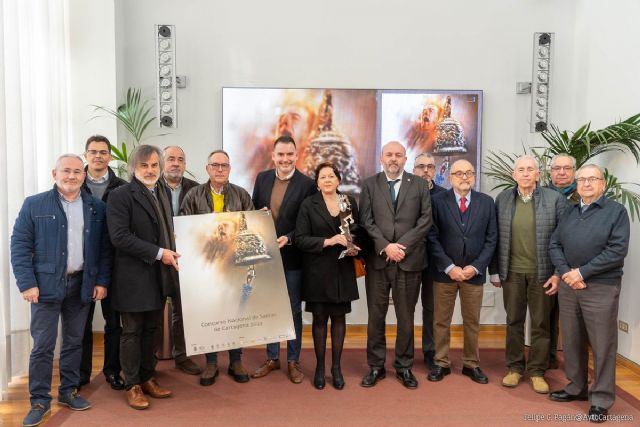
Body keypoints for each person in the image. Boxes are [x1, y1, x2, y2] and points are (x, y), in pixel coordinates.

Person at [11, 154, 112, 426]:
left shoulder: (96, 207)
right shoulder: (34, 204)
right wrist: (27, 283)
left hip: (82, 284)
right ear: (54, 173)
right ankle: (39, 400)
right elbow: (19, 245)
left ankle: (68, 391)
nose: (72, 176)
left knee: (74, 341)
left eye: (77, 172)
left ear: (84, 175)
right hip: (44, 287)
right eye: (66, 171)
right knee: (43, 346)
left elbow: (104, 249)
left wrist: (101, 281)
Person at [549, 164, 630, 423]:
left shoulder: (616, 212)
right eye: (581, 179)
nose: (585, 183)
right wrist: (566, 273)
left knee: (603, 344)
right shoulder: (570, 211)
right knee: (572, 340)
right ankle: (577, 387)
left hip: (601, 287)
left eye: (591, 179)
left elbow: (617, 250)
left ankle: (601, 400)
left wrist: (581, 273)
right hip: (569, 286)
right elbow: (554, 244)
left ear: (602, 184)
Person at [107, 145, 179, 410]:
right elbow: (120, 237)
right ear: (133, 168)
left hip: (159, 276)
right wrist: (160, 253)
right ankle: (132, 384)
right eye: (144, 165)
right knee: (132, 332)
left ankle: (148, 377)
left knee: (152, 330)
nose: (150, 170)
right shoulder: (120, 195)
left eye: (154, 165)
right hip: (133, 278)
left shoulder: (161, 191)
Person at [489, 155, 567, 395]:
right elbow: (495, 237)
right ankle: (514, 368)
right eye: (520, 170)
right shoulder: (502, 199)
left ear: (538, 175)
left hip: (542, 273)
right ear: (514, 175)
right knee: (514, 321)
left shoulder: (554, 199)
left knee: (541, 324)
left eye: (530, 169)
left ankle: (536, 371)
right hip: (511, 272)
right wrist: (495, 270)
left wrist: (558, 273)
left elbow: (564, 239)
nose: (525, 173)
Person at [359, 141, 432, 389]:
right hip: (378, 262)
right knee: (375, 317)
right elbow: (366, 220)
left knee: (406, 317)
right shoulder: (370, 184)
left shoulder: (419, 184)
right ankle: (376, 366)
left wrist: (401, 247)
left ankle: (404, 367)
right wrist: (385, 246)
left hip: (408, 261)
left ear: (405, 159)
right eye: (389, 154)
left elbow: (425, 220)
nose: (393, 159)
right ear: (381, 158)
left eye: (398, 155)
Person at [179, 149, 254, 386]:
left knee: (235, 312)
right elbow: (184, 230)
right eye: (215, 165)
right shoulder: (193, 195)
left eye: (224, 165)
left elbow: (251, 228)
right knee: (210, 312)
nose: (220, 169)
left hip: (234, 266)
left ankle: (235, 360)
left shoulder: (241, 195)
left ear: (230, 169)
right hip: (206, 266)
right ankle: (211, 362)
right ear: (207, 168)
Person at [251, 135, 316, 384]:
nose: (285, 159)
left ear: (297, 156)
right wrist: (258, 217)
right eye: (281, 154)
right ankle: (272, 357)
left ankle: (293, 360)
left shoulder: (307, 184)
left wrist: (288, 238)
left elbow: (307, 223)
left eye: (290, 154)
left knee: (292, 311)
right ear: (273, 156)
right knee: (270, 307)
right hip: (265, 256)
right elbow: (253, 211)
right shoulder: (262, 178)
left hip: (292, 258)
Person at [426, 160, 497, 384]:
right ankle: (441, 362)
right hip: (444, 273)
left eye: (468, 173)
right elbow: (431, 237)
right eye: (459, 173)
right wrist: (450, 267)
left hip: (473, 274)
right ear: (450, 178)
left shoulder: (487, 202)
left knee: (472, 321)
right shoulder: (437, 201)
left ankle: (471, 364)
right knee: (441, 321)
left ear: (474, 176)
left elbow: (492, 239)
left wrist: (475, 267)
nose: (464, 177)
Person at [295, 162, 362, 390]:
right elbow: (301, 238)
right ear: (317, 183)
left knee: (339, 319)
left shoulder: (348, 202)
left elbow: (358, 231)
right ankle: (320, 368)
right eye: (322, 177)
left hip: (343, 269)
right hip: (317, 271)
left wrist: (354, 244)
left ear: (338, 180)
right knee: (320, 320)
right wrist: (329, 241)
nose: (327, 180)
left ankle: (336, 368)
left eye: (331, 176)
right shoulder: (308, 204)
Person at [79, 135, 127, 391]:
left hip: (115, 266)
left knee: (114, 323)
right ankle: (81, 375)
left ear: (110, 156)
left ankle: (112, 371)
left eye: (103, 152)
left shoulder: (122, 187)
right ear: (86, 155)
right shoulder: (74, 184)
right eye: (93, 152)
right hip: (82, 265)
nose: (98, 156)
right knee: (81, 324)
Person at [161, 145, 201, 376]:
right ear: (162, 162)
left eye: (180, 159)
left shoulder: (195, 189)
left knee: (182, 310)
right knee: (152, 309)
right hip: (157, 257)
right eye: (171, 159)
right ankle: (148, 359)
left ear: (185, 164)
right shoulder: (152, 187)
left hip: (187, 258)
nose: (176, 163)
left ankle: (182, 356)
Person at [545, 153, 579, 370]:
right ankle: (547, 358)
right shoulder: (541, 195)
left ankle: (576, 366)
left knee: (574, 320)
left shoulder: (583, 196)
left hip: (575, 269)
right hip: (546, 265)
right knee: (546, 316)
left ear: (574, 171)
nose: (562, 172)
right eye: (557, 168)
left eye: (567, 168)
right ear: (550, 172)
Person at [412, 153, 445, 369]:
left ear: (435, 170)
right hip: (410, 258)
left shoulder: (444, 196)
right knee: (407, 308)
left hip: (435, 261)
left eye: (430, 166)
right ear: (413, 170)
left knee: (432, 309)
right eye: (421, 166)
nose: (425, 170)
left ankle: (431, 352)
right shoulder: (405, 192)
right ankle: (405, 352)